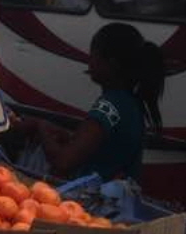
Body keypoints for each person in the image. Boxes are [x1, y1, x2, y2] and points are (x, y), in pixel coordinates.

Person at [24, 22, 165, 181]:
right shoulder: (132, 103)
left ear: (111, 64)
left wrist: (41, 127)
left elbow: (63, 163)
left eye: (94, 55)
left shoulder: (107, 107)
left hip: (96, 199)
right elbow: (103, 150)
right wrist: (69, 137)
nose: (89, 62)